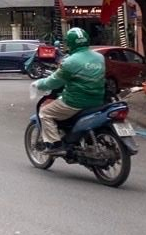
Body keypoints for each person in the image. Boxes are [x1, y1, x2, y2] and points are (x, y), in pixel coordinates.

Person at [32, 27, 105, 155]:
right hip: (98, 100)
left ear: (70, 43)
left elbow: (53, 82)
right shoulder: (100, 57)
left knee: (45, 112)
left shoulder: (70, 62)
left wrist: (39, 84)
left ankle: (55, 144)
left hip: (75, 102)